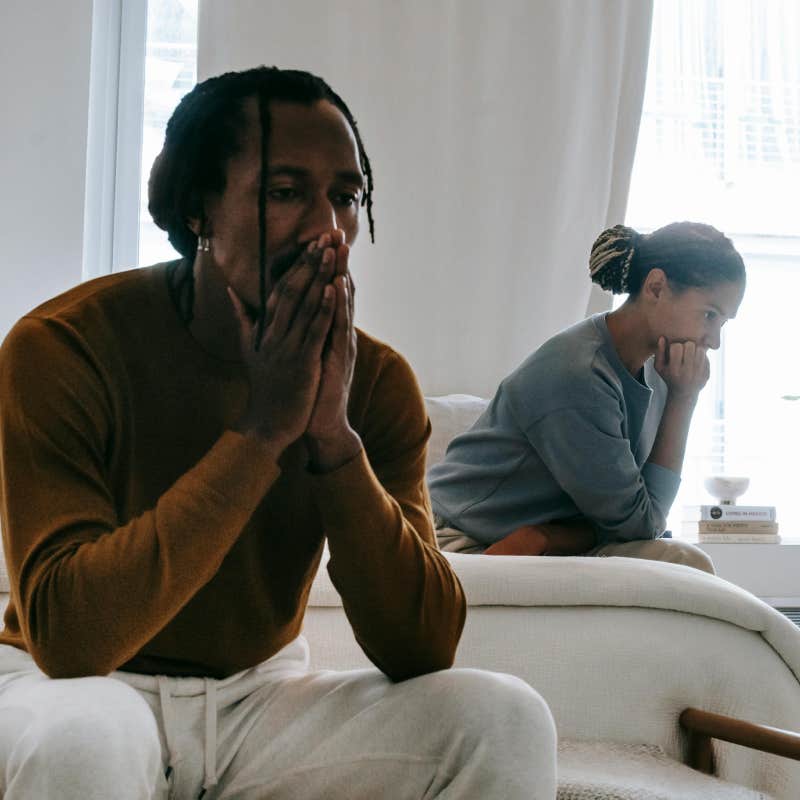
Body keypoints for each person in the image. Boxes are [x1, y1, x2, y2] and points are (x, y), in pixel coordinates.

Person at [0, 67, 557, 799]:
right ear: (199, 206)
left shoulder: (377, 381)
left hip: (258, 699)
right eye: (285, 192)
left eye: (346, 197)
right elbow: (72, 639)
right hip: (75, 689)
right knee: (85, 742)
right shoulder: (63, 345)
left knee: (504, 717)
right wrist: (262, 432)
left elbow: (421, 644)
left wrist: (331, 436)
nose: (327, 229)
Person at [428, 222, 746, 573]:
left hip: (537, 538)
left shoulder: (660, 366)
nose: (713, 341)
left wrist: (546, 536)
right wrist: (684, 400)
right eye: (709, 315)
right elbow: (641, 524)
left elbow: (638, 520)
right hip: (463, 537)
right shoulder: (578, 374)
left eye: (722, 323)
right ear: (656, 287)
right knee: (682, 562)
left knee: (684, 562)